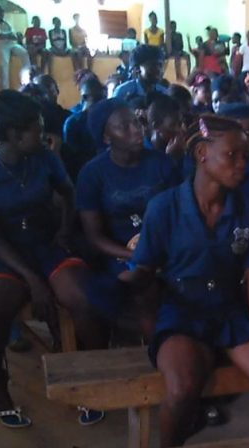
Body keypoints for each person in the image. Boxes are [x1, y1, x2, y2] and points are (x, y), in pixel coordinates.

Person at [120, 114, 249, 447]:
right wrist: (152, 331)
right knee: (182, 388)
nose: (242, 164)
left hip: (229, 309)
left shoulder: (248, 207)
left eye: (245, 156)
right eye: (232, 155)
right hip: (181, 310)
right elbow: (144, 278)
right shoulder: (164, 208)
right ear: (201, 154)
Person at [0, 90, 107, 428]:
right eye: (37, 128)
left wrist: (65, 231)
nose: (43, 134)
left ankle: (91, 373)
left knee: (84, 296)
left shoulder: (44, 158)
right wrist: (33, 280)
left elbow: (68, 192)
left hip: (45, 244)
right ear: (14, 134)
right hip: (5, 254)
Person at [76, 99, 178, 333]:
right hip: (119, 253)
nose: (136, 130)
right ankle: (154, 343)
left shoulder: (161, 163)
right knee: (143, 287)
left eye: (136, 123)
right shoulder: (92, 174)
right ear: (106, 137)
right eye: (124, 126)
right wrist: (135, 254)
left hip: (164, 248)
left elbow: (178, 214)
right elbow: (94, 236)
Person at [62, 76, 105, 182]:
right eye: (97, 98)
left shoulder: (105, 119)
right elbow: (71, 158)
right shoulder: (73, 123)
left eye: (103, 98)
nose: (101, 102)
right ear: (84, 97)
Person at [0, 5, 30, 89]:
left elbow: (13, 36)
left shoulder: (6, 24)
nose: (1, 14)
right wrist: (9, 35)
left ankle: (25, 80)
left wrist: (14, 35)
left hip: (10, 44)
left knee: (24, 53)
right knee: (5, 63)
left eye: (2, 12)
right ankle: (5, 88)